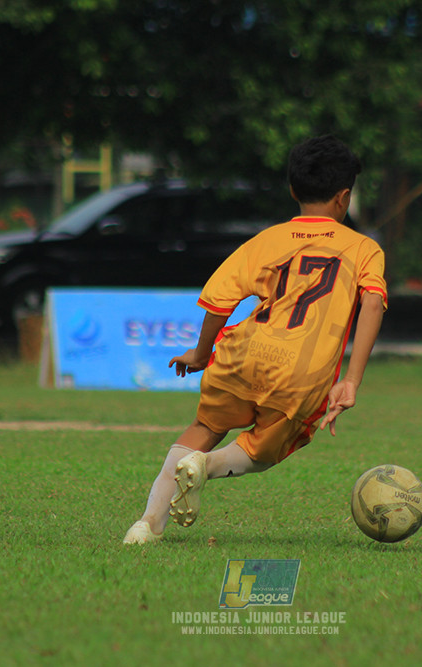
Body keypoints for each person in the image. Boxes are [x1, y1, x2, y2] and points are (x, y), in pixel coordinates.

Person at [123, 135, 387, 544]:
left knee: (205, 424)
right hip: (301, 368)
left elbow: (218, 300)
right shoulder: (364, 248)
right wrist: (351, 380)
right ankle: (206, 467)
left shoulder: (266, 240)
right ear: (344, 197)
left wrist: (201, 352)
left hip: (242, 352)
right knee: (260, 454)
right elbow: (372, 304)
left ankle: (146, 525)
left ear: (293, 190)